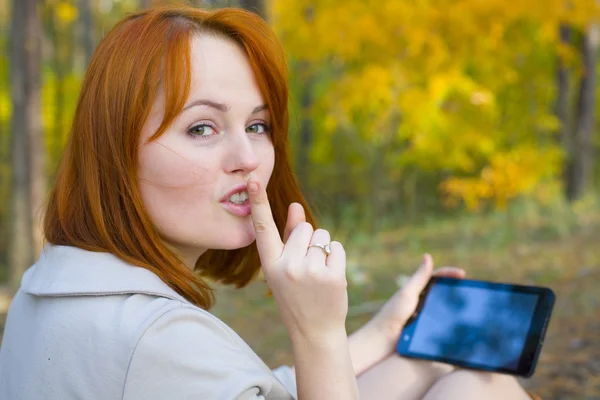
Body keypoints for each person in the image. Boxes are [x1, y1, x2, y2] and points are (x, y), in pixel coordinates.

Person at [0, 5, 538, 399]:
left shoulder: (50, 289)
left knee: (451, 373)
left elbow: (257, 390)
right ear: (116, 150)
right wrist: (316, 331)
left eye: (257, 125)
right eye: (203, 127)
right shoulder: (155, 338)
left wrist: (390, 335)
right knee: (478, 386)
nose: (249, 157)